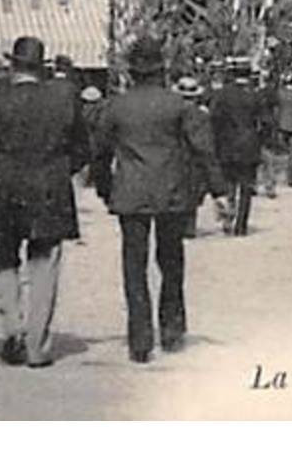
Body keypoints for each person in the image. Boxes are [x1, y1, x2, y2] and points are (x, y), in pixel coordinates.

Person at [0, 36, 89, 368]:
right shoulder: (63, 100)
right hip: (49, 188)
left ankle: (13, 328)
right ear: (41, 68)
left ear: (12, 65)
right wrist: (58, 168)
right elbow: (83, 149)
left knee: (4, 257)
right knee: (45, 263)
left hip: (3, 187)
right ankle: (36, 344)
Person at [93, 42, 228, 362]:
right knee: (171, 261)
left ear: (130, 71)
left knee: (133, 265)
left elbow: (99, 153)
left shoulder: (115, 107)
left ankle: (140, 339)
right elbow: (203, 150)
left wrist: (105, 188)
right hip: (172, 194)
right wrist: (218, 191)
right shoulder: (180, 107)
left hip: (130, 194)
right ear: (162, 70)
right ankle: (171, 330)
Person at [210, 57, 268, 237]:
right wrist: (260, 139)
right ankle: (241, 225)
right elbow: (265, 122)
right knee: (246, 187)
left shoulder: (221, 95)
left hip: (226, 145)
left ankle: (228, 218)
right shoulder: (255, 95)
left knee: (228, 185)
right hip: (249, 145)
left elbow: (214, 119)